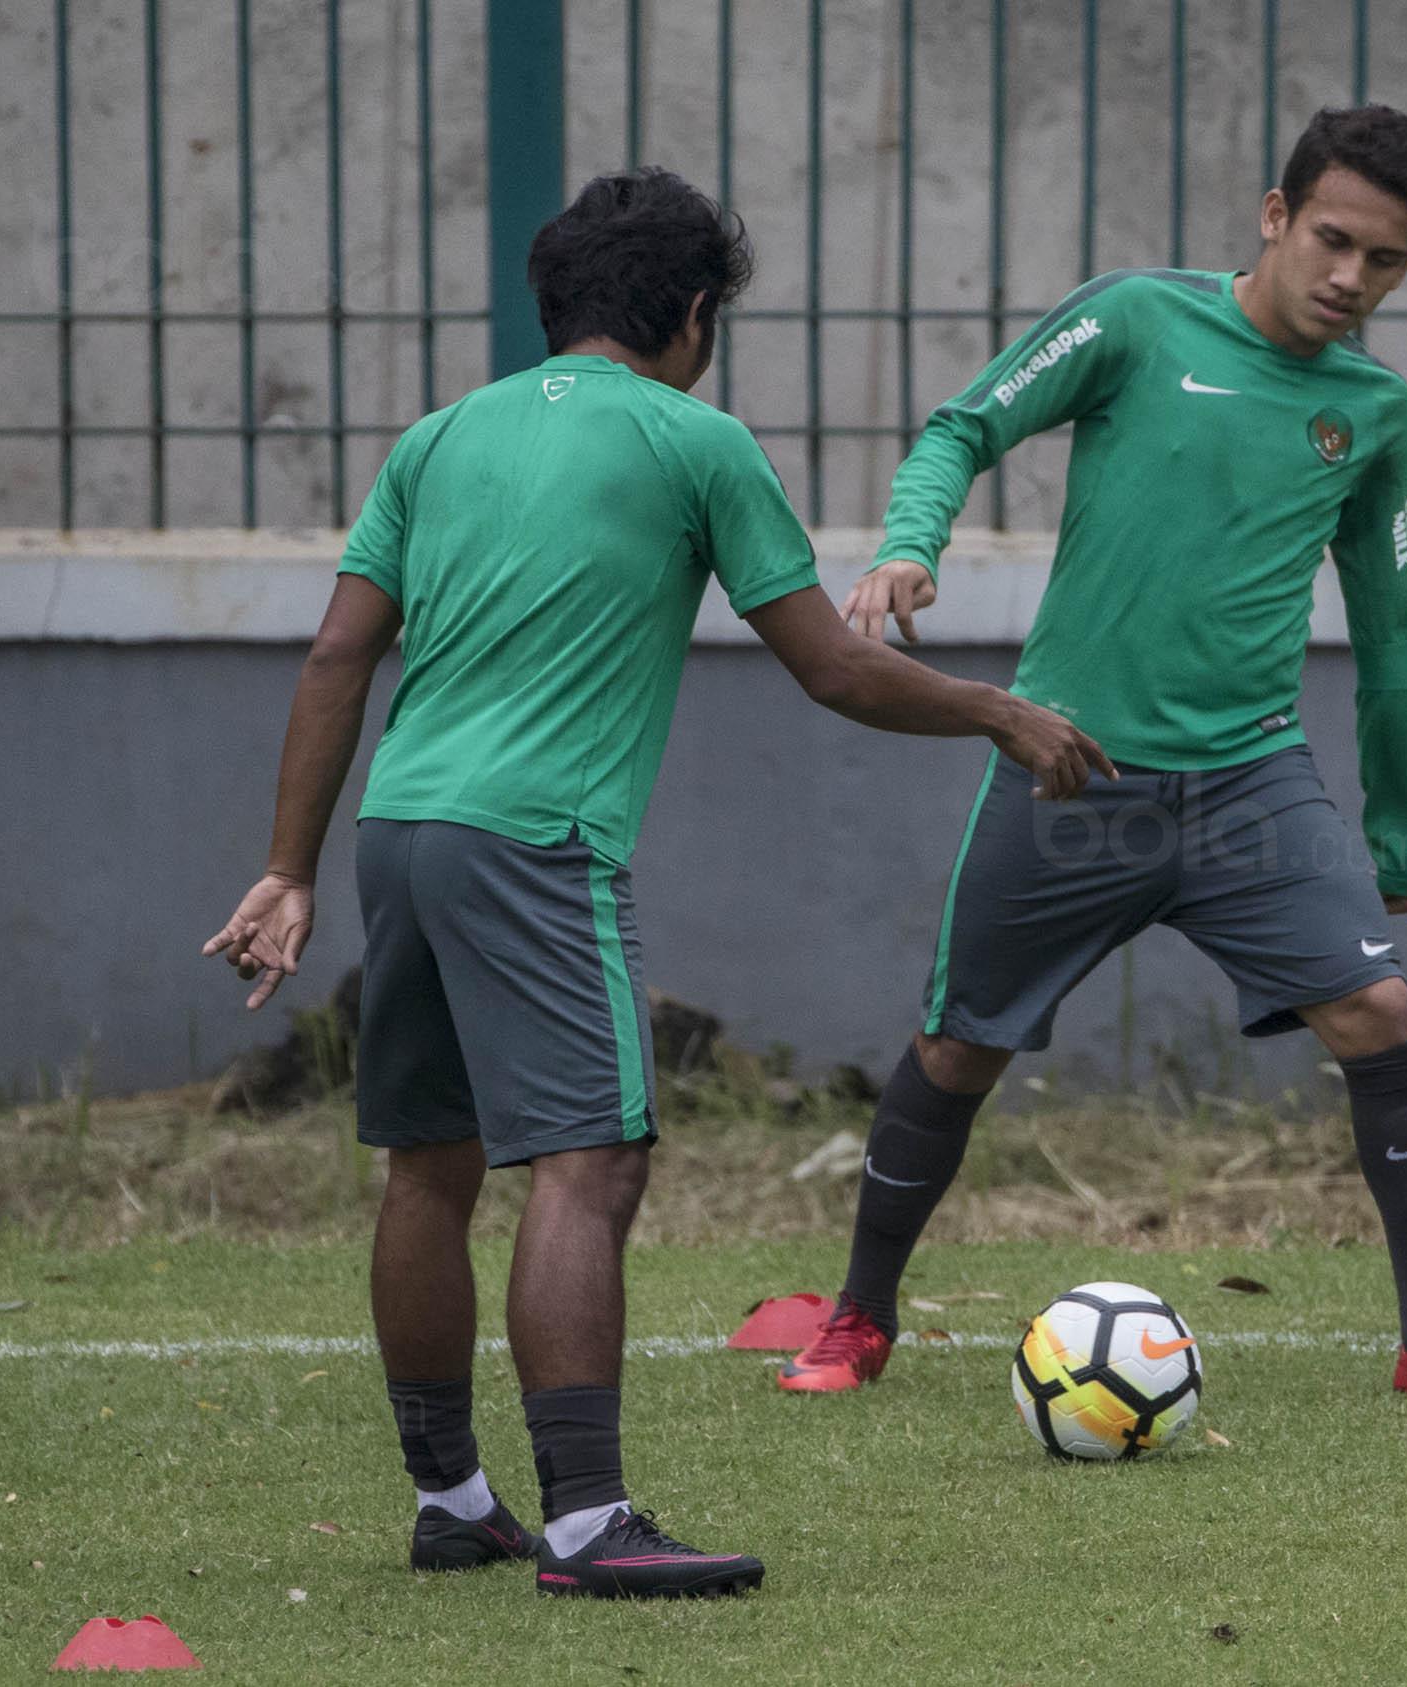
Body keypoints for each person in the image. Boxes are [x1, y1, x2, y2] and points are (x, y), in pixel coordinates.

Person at [200, 167, 1105, 1601]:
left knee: (429, 1167)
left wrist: (285, 869)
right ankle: (584, 1523)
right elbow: (829, 665)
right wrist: (1001, 712)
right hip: (538, 843)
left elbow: (334, 658)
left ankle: (453, 1501)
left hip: (401, 827)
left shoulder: (438, 439)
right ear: (691, 314)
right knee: (592, 1158)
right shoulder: (698, 441)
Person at [778, 106, 1407, 1405]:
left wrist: (1401, 831)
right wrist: (911, 540)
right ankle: (859, 1316)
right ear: (1273, 214)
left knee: (1381, 1011)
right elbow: (965, 424)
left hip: (1252, 784)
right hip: (1071, 768)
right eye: (1331, 241)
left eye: (1387, 262)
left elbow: (1396, 633)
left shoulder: (1370, 411)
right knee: (961, 1044)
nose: (1350, 281)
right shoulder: (1135, 320)